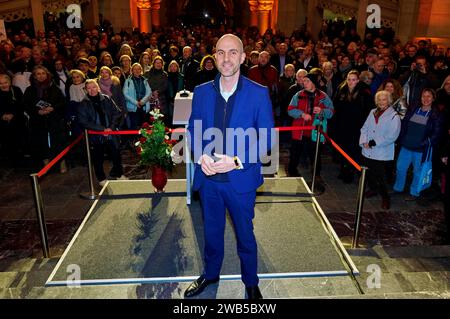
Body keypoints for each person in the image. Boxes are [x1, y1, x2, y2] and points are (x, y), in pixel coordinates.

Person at [185, 34, 274, 300]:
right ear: (214, 56)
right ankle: (211, 274)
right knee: (211, 233)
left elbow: (267, 137)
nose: (226, 58)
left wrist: (235, 160)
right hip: (210, 181)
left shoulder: (258, 93)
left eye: (233, 52)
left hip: (241, 181)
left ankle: (250, 282)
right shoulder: (201, 92)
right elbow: (192, 130)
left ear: (244, 57)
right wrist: (200, 156)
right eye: (221, 53)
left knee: (245, 236)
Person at [393, 88, 444, 200]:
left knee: (417, 172)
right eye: (423, 96)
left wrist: (425, 143)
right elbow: (404, 125)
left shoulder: (436, 115)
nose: (425, 99)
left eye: (429, 96)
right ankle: (398, 188)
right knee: (400, 168)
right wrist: (402, 138)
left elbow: (437, 134)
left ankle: (414, 193)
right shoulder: (413, 109)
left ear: (433, 98)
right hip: (406, 146)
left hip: (421, 150)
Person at [287, 71, 334, 189]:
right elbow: (290, 109)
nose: (304, 83)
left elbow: (331, 111)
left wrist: (322, 111)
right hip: (299, 131)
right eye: (303, 81)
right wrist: (302, 114)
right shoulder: (298, 94)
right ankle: (292, 171)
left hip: (315, 131)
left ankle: (316, 174)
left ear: (313, 83)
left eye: (307, 81)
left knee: (315, 154)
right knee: (295, 153)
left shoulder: (323, 96)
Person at [77, 80, 127, 186]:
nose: (92, 90)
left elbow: (116, 113)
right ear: (86, 90)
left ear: (98, 88)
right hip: (96, 135)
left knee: (116, 154)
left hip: (111, 133)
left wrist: (111, 127)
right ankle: (101, 178)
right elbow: (84, 121)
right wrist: (101, 129)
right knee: (98, 157)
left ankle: (118, 174)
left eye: (94, 87)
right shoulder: (83, 104)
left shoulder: (107, 99)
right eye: (89, 88)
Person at [360, 90, 401, 210]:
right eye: (379, 100)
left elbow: (392, 135)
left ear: (388, 101)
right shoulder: (372, 112)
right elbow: (365, 128)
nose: (381, 102)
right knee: (370, 174)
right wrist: (364, 141)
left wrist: (373, 143)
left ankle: (385, 197)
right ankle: (373, 190)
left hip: (382, 152)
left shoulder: (394, 116)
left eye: (384, 99)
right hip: (367, 149)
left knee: (381, 177)